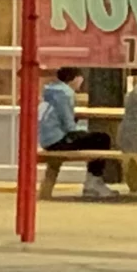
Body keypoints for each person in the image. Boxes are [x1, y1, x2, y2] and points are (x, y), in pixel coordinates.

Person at [38, 65, 117, 199]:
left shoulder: (51, 92)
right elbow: (69, 125)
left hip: (47, 140)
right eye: (81, 78)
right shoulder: (65, 93)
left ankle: (93, 182)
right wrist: (81, 131)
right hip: (58, 141)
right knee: (102, 139)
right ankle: (93, 182)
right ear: (75, 78)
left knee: (93, 137)